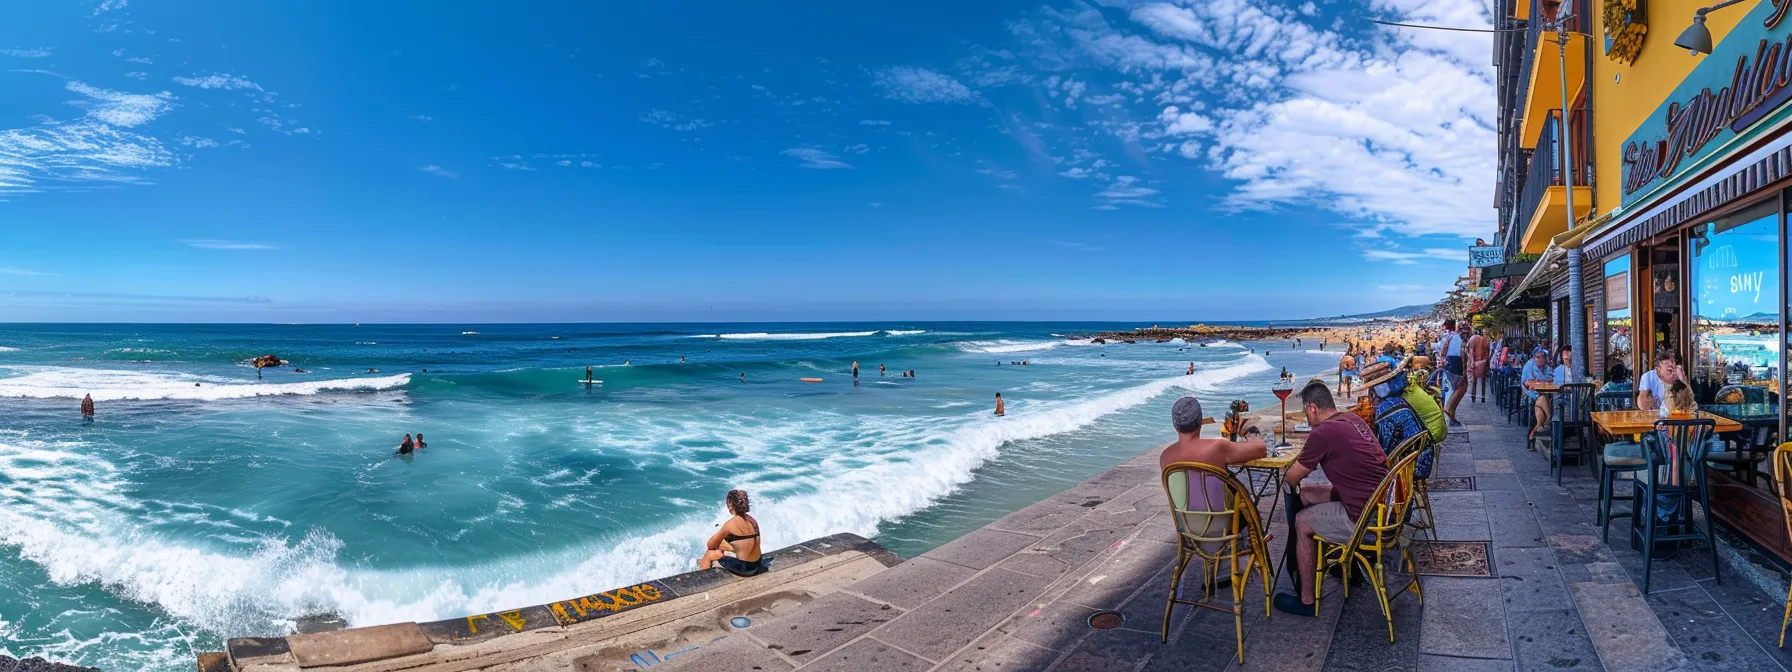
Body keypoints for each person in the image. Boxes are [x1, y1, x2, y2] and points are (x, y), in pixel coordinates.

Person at [1276, 380, 1389, 617]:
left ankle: (1306, 600)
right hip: (1380, 503)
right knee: (1308, 494)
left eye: (1305, 412)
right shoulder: (1352, 419)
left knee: (1302, 520)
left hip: (1365, 520)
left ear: (1312, 408)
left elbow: (1292, 477)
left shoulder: (1323, 433)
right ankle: (1337, 563)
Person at [1161, 396, 1267, 472]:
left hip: (1184, 504)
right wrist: (1250, 432)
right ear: (1200, 422)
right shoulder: (1217, 447)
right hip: (1218, 504)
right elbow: (1261, 449)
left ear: (1175, 425)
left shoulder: (1165, 457)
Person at [700, 489, 765, 576]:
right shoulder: (753, 521)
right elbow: (747, 544)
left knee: (709, 554)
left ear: (731, 505)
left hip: (745, 568)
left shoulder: (730, 525)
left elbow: (710, 545)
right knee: (724, 546)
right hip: (757, 564)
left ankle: (703, 580)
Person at [1521, 348, 1554, 443]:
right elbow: (1527, 383)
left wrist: (1539, 382)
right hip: (1531, 395)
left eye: (1543, 357)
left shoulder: (1548, 368)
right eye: (1538, 357)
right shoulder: (1529, 366)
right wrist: (1538, 383)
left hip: (1547, 394)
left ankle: (1535, 430)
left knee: (1542, 400)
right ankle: (1549, 419)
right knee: (1542, 398)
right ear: (1534, 358)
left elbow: (1552, 380)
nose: (1540, 359)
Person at [1439, 320, 1468, 426]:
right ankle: (1449, 411)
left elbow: (1441, 350)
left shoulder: (1447, 336)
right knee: (1460, 388)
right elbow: (1460, 354)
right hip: (1456, 365)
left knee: (1452, 389)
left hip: (1448, 364)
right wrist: (1464, 369)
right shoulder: (1457, 338)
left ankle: (1450, 413)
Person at [1467, 328, 1491, 403]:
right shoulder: (1485, 340)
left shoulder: (1472, 339)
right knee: (1483, 380)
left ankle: (1473, 396)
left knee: (1474, 380)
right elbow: (1487, 352)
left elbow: (1470, 351)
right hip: (1483, 362)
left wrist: (1472, 362)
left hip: (1475, 362)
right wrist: (1486, 361)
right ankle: (1483, 397)